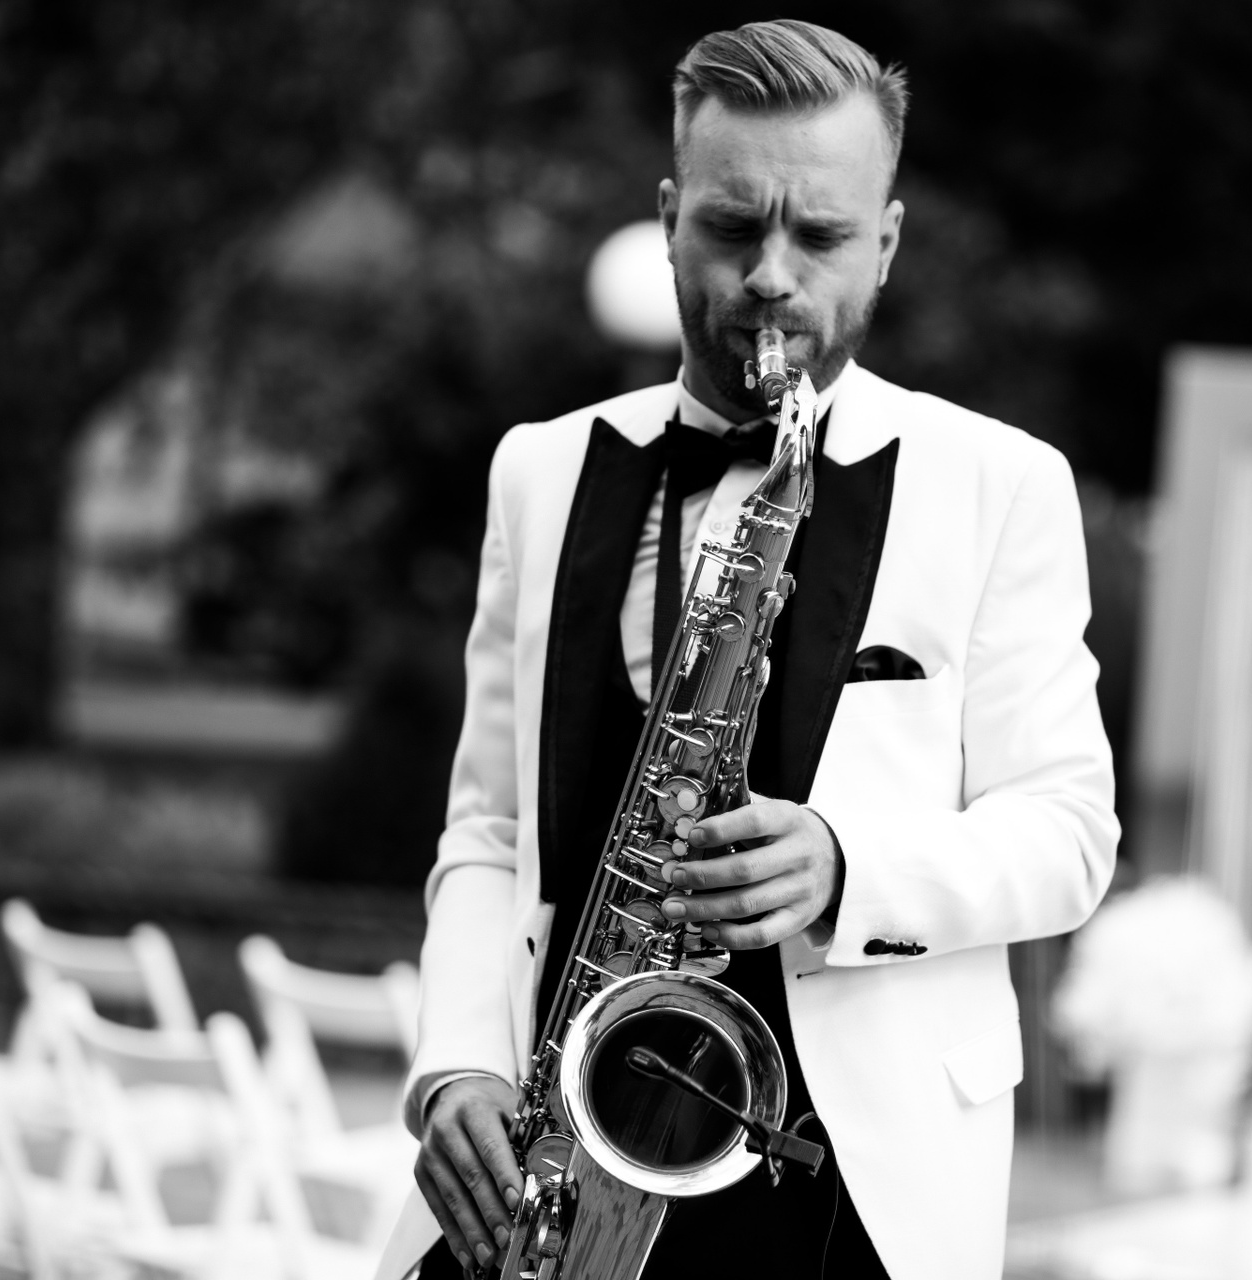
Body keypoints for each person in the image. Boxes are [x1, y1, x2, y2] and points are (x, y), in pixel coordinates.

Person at [380, 19, 1118, 1280]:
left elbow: (1069, 832)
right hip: (550, 1147)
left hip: (843, 1181)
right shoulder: (540, 470)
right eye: (732, 226)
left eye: (820, 235)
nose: (771, 276)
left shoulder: (1000, 484)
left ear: (885, 244)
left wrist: (845, 865)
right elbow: (490, 830)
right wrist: (456, 1061)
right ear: (670, 219)